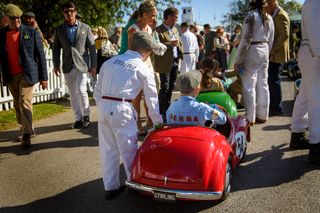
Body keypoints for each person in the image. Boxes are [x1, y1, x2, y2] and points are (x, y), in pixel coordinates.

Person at [93, 31, 163, 199]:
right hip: (122, 108)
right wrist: (158, 121)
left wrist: (102, 106)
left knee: (108, 149)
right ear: (146, 51)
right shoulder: (143, 68)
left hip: (104, 106)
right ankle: (134, 183)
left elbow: (97, 90)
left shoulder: (110, 62)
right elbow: (152, 99)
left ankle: (110, 187)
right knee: (129, 149)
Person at [0, 4, 48, 148]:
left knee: (24, 101)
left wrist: (44, 77)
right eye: (13, 18)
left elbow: (41, 55)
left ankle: (27, 134)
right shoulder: (1, 34)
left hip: (27, 73)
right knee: (16, 103)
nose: (17, 21)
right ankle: (23, 129)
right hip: (10, 75)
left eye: (19, 18)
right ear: (5, 19)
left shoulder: (31, 32)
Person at [52, 2, 97, 129]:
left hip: (82, 65)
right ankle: (77, 118)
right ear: (63, 13)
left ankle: (86, 116)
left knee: (81, 90)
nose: (69, 13)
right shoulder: (59, 29)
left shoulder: (85, 28)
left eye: (71, 11)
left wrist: (93, 65)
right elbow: (55, 49)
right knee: (72, 94)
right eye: (66, 11)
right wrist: (56, 65)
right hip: (67, 65)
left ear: (75, 12)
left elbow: (92, 49)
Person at [234, 0, 274, 125]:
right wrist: (267, 51)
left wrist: (237, 60)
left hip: (252, 50)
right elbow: (271, 39)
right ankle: (263, 114)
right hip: (265, 49)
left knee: (249, 85)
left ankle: (250, 117)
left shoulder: (251, 16)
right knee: (263, 83)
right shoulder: (269, 18)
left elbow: (245, 39)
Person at [290, 0, 320, 165]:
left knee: (307, 95)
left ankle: (298, 133)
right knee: (317, 98)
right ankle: (317, 146)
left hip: (310, 52)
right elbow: (317, 32)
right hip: (314, 54)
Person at [127, 0, 158, 134]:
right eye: (152, 15)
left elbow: (149, 47)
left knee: (150, 93)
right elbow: (130, 49)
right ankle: (137, 123)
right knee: (137, 95)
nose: (154, 18)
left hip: (148, 63)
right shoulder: (133, 29)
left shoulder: (150, 29)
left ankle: (150, 122)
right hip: (136, 63)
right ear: (144, 14)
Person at [154, 7, 183, 120]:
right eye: (175, 17)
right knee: (164, 87)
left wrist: (181, 53)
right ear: (169, 17)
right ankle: (161, 112)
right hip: (164, 63)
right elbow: (156, 45)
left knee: (171, 87)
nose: (177, 19)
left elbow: (179, 42)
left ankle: (168, 109)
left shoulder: (175, 29)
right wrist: (170, 43)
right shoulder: (158, 30)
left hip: (175, 61)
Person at [266, 0, 290, 116]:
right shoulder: (277, 14)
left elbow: (285, 34)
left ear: (273, 4)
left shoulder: (280, 15)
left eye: (268, 5)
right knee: (273, 79)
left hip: (277, 53)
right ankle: (275, 106)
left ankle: (276, 107)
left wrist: (272, 49)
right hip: (276, 53)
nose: (267, 8)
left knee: (274, 80)